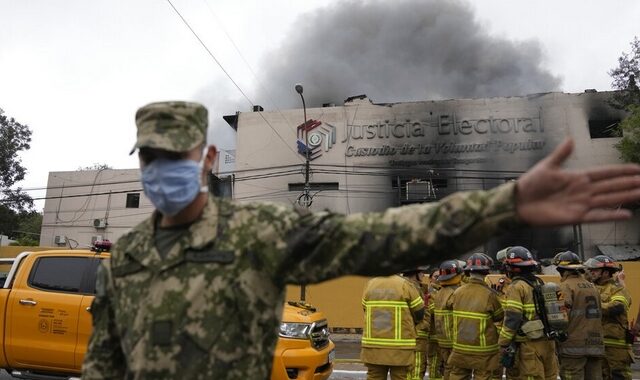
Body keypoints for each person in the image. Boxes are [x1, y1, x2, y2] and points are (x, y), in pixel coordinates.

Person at [82, 101, 640, 380]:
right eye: (151, 159)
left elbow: (380, 233)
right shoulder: (127, 256)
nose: (161, 171)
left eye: (175, 158)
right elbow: (103, 359)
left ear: (205, 160)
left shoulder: (257, 232)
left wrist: (504, 202)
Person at [498, 246, 559, 380]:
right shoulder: (539, 282)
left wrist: (503, 343)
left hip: (529, 345)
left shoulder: (516, 287)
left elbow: (512, 318)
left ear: (511, 268)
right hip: (548, 343)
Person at [446, 253, 503, 380]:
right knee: (483, 376)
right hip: (483, 350)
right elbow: (499, 316)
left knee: (458, 375)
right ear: (486, 272)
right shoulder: (490, 295)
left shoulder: (457, 292)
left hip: (460, 346)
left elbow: (449, 306)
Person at [361, 274, 425, 380]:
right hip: (400, 348)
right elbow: (419, 312)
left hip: (373, 346)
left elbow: (365, 308)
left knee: (374, 376)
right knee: (400, 377)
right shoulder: (405, 285)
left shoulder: (370, 284)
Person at [555, 251, 605, 380]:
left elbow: (561, 317)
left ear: (562, 270)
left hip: (573, 347)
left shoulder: (564, 287)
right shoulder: (592, 287)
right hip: (595, 344)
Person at [585, 255, 634, 380]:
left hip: (616, 345)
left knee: (618, 376)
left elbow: (617, 307)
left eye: (595, 270)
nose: (591, 273)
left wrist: (593, 308)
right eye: (590, 270)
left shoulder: (617, 289)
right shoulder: (590, 288)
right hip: (596, 344)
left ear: (606, 272)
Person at [431, 260, 464, 380]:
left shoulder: (439, 293)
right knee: (456, 369)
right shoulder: (455, 293)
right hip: (454, 340)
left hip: (442, 339)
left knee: (447, 367)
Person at [401, 267, 431, 380]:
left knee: (409, 370)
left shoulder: (405, 286)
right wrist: (425, 325)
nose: (423, 275)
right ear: (415, 274)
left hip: (410, 335)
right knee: (417, 370)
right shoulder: (412, 288)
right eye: (421, 272)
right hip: (417, 335)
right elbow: (420, 313)